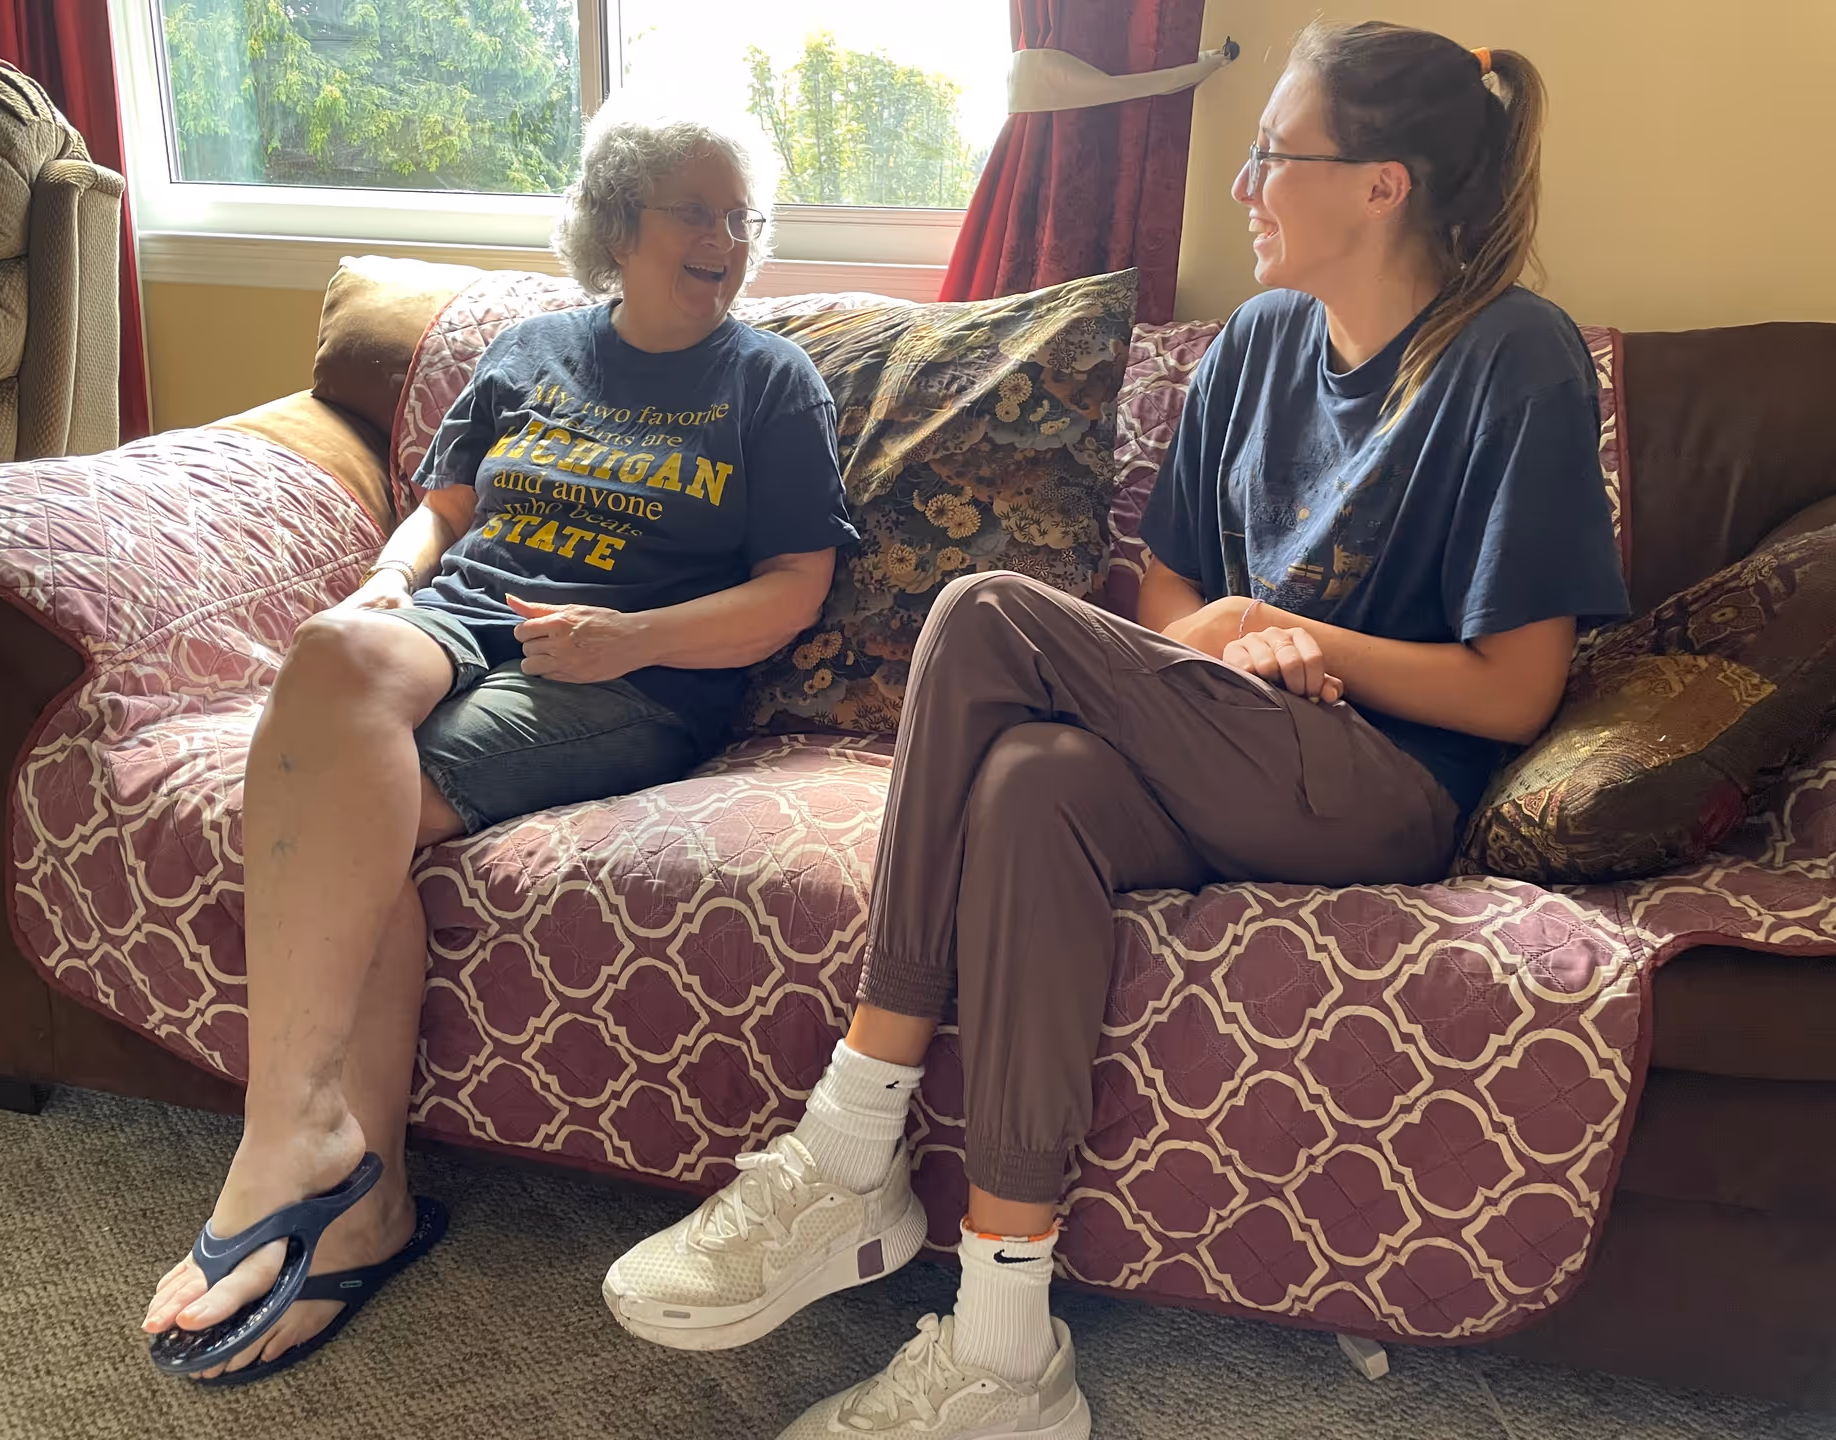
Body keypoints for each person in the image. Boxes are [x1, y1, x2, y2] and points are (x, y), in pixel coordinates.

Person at [604, 20, 1630, 1438]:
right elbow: (1167, 596)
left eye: (1275, 152)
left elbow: (1515, 691)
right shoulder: (1259, 343)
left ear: (1383, 184)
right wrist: (1216, 637)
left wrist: (1293, 636)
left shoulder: (1513, 356)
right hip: (1234, 737)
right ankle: (1005, 1349)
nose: (1243, 184)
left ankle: (852, 1134)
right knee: (1031, 784)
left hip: (1389, 780)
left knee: (980, 613)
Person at [138, 107, 858, 1384]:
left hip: (633, 676)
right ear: (621, 224)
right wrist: (381, 579)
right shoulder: (531, 348)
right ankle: (333, 1166)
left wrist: (629, 638)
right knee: (332, 656)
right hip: (468, 615)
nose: (726, 239)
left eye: (742, 217)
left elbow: (796, 586)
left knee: (355, 826)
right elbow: (443, 511)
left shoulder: (768, 381)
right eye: (696, 211)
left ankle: (322, 1175)